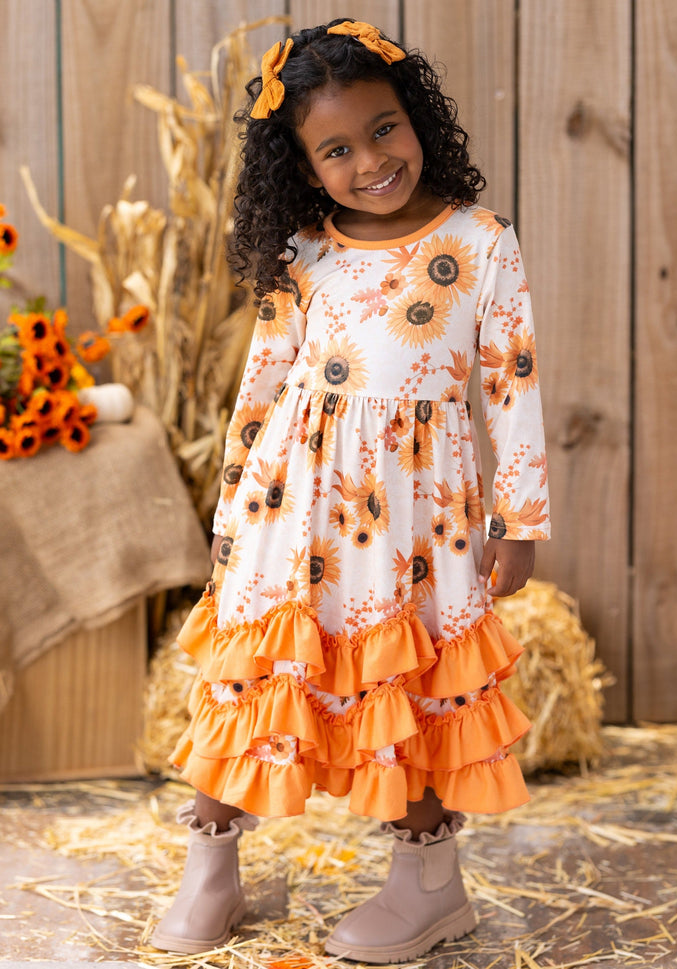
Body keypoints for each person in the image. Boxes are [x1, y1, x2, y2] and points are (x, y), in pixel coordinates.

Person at [150, 18, 550, 963]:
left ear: (417, 118)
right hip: (288, 511)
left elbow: (512, 384)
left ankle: (429, 884)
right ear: (303, 166)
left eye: (384, 129)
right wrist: (232, 508)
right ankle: (212, 870)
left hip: (419, 521)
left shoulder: (481, 242)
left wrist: (520, 521)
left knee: (410, 684)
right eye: (337, 150)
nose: (371, 161)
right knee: (253, 677)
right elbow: (261, 385)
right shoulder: (302, 254)